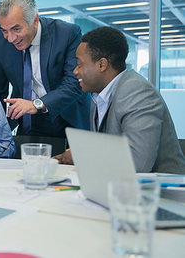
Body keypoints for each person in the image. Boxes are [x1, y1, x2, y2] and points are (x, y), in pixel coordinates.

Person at [53, 26, 185, 173]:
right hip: (120, 186)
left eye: (79, 64)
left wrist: (82, 155)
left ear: (102, 65)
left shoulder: (137, 92)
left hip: (162, 191)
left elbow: (138, 163)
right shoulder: (98, 95)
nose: (75, 71)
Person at [0, 0, 90, 138]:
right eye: (5, 30)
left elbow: (75, 83)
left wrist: (36, 104)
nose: (10, 38)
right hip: (27, 121)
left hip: (66, 118)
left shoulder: (67, 34)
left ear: (35, 20)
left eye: (17, 29)